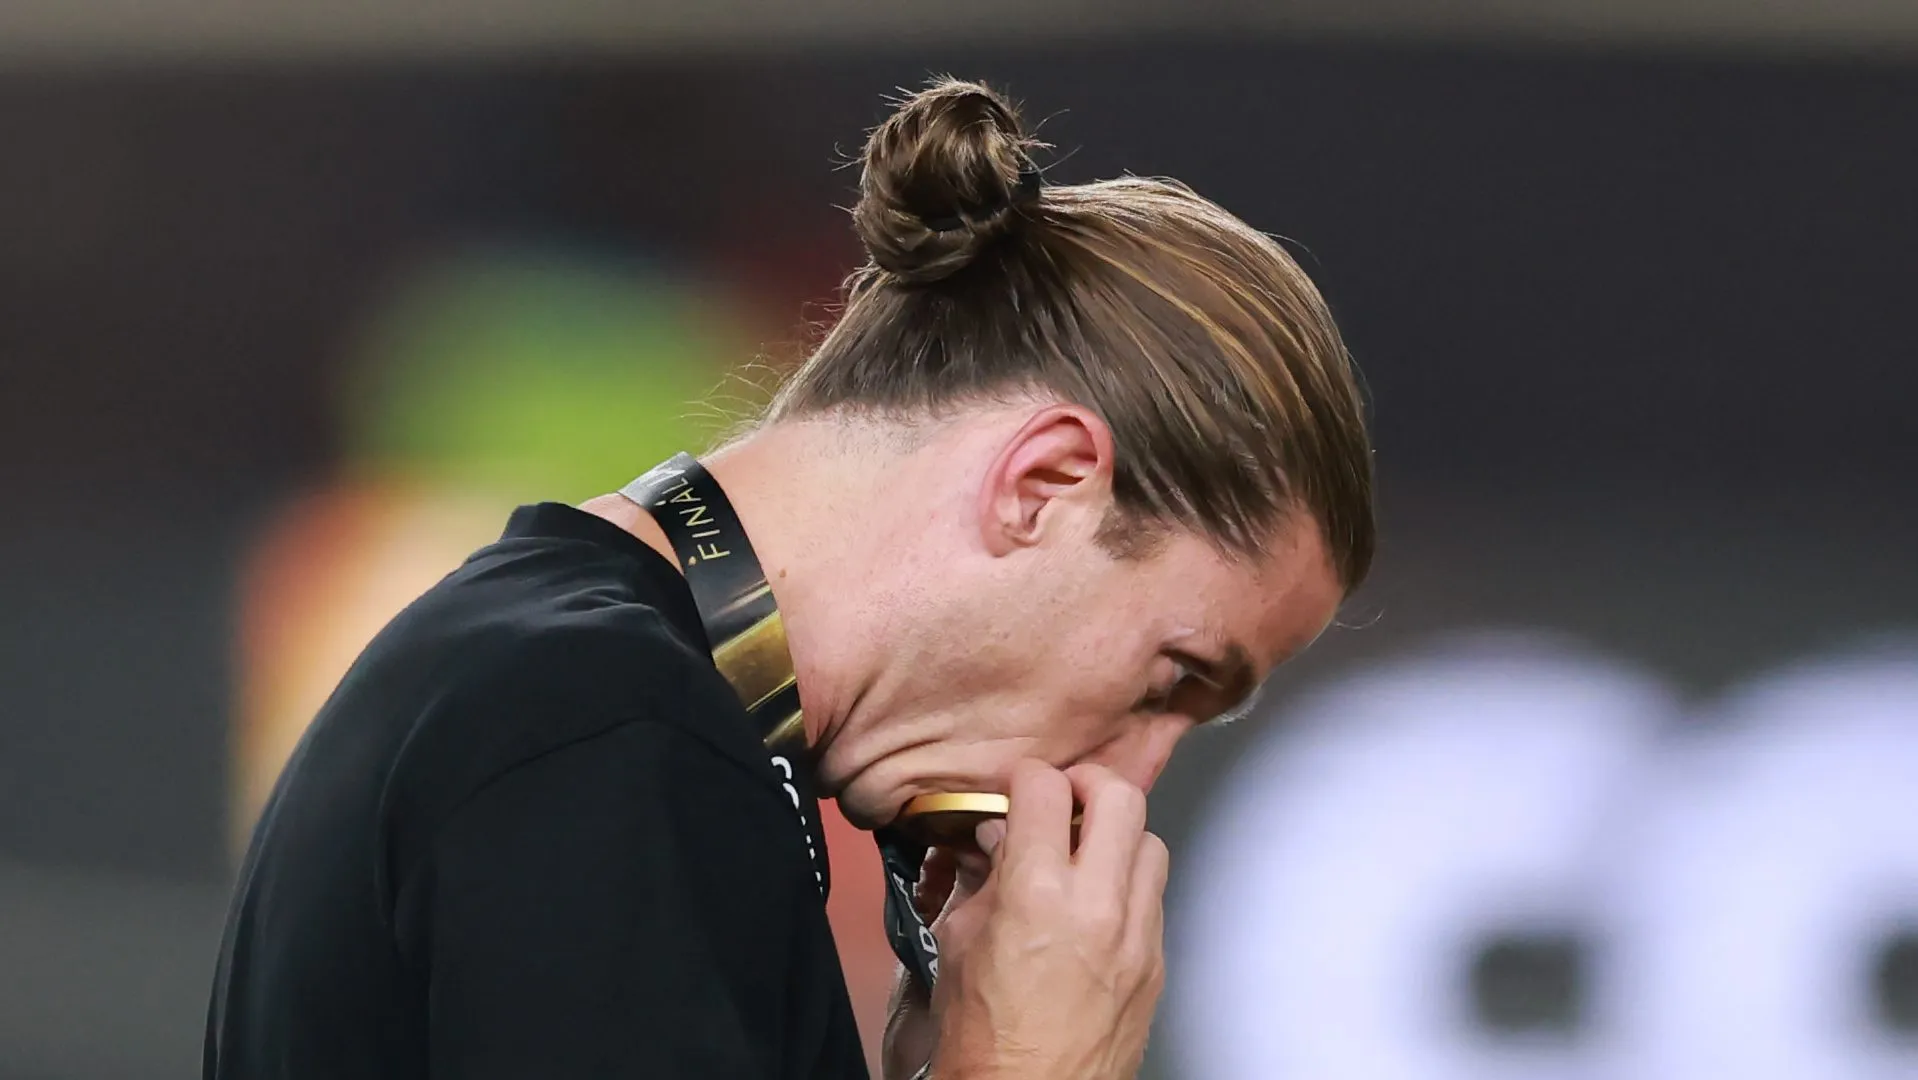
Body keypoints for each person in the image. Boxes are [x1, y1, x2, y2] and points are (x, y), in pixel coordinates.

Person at [204, 77, 1374, 1080]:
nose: (1130, 778)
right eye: (1171, 679)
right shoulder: (605, 733)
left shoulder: (583, 689)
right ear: (1042, 485)